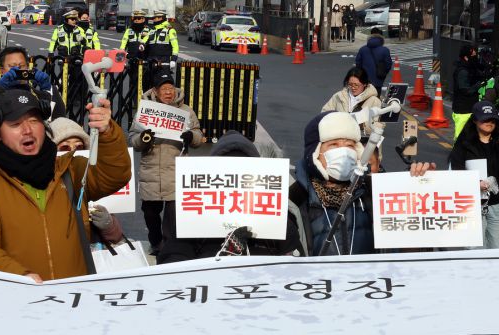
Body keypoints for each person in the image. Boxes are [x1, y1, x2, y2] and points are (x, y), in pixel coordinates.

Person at [0, 89, 132, 281]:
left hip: (74, 293)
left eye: (34, 121)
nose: (27, 130)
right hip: (18, 293)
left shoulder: (70, 169)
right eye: (16, 124)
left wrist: (107, 132)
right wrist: (20, 277)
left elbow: (115, 174)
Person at [157, 130, 303, 264]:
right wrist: (223, 258)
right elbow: (172, 259)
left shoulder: (277, 217)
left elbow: (295, 263)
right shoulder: (192, 215)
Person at [128, 72, 202, 255]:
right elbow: (133, 139)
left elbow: (198, 136)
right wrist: (143, 138)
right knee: (150, 213)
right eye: (164, 89)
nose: (168, 92)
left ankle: (170, 248)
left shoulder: (186, 111)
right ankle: (156, 243)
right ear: (155, 91)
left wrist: (191, 136)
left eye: (171, 88)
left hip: (176, 170)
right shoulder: (145, 111)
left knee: (173, 215)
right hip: (150, 171)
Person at [290, 111, 372, 256]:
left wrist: (414, 180)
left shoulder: (370, 191)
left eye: (350, 145)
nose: (344, 152)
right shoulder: (294, 199)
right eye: (333, 145)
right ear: (315, 153)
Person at [449, 101, 499, 249]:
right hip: (473, 207)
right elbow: (456, 173)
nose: (489, 122)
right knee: (475, 252)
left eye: (492, 119)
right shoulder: (464, 144)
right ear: (475, 120)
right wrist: (475, 184)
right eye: (484, 119)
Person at [0, 46, 66, 152]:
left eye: (21, 66)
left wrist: (48, 88)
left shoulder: (35, 94)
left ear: (28, 68)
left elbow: (59, 117)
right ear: (2, 71)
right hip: (0, 154)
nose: (17, 70)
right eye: (12, 67)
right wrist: (0, 85)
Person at [49, 117, 123, 245]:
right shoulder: (44, 185)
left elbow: (116, 238)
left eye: (79, 147)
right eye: (65, 147)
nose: (72, 151)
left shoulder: (91, 179)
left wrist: (109, 225)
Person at [321, 66, 381, 136]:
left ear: (365, 84)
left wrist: (362, 125)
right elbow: (324, 114)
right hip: (339, 138)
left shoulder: (374, 101)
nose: (353, 88)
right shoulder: (339, 96)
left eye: (356, 85)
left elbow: (377, 126)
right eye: (350, 84)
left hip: (361, 140)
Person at [452, 44, 484, 140]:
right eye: (473, 56)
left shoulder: (470, 69)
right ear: (466, 57)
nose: (475, 58)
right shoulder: (463, 72)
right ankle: (457, 148)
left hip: (470, 108)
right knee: (460, 136)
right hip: (463, 110)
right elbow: (465, 90)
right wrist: (478, 85)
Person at [355, 27, 392, 96]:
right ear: (381, 39)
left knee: (365, 98)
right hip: (379, 78)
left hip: (365, 79)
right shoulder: (385, 50)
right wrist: (383, 73)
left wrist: (361, 74)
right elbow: (388, 65)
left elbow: (358, 64)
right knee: (376, 98)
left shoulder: (362, 49)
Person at [145, 10, 178, 83]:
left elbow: (175, 46)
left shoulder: (170, 30)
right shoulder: (152, 30)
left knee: (163, 83)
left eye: (155, 18)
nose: (153, 19)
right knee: (150, 83)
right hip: (151, 61)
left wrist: (173, 59)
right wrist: (142, 45)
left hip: (164, 62)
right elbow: (145, 41)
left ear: (161, 18)